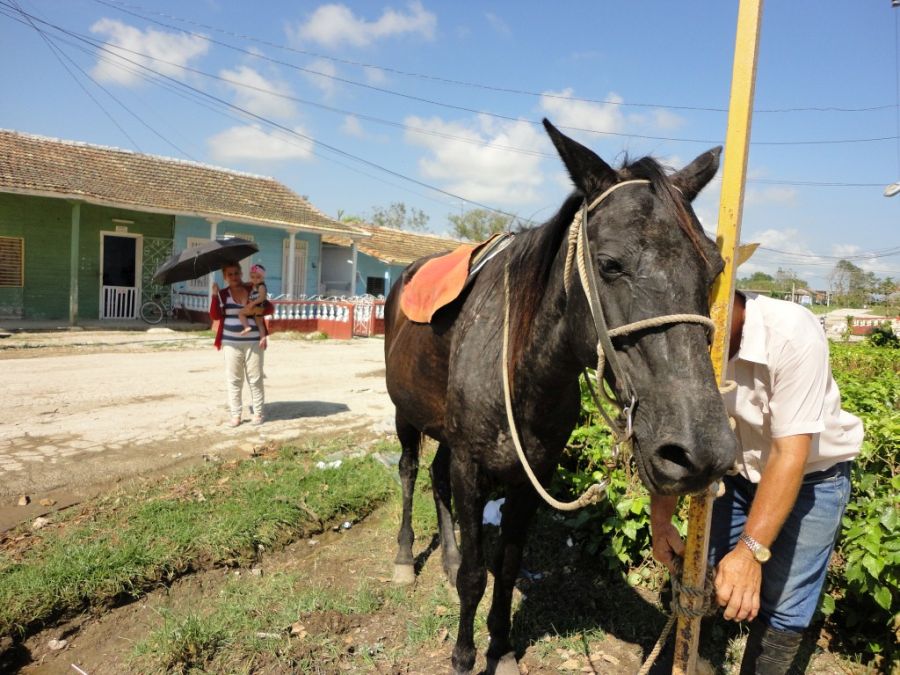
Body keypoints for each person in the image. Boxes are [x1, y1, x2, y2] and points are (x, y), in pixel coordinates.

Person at [650, 289, 862, 674]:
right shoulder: (683, 340)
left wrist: (750, 552)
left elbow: (790, 454)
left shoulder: (791, 332)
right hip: (736, 473)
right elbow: (675, 436)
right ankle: (689, 662)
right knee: (708, 571)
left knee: (785, 602)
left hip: (814, 479)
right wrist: (661, 520)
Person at [210, 262, 266, 427]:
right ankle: (236, 415)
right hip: (230, 342)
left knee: (255, 379)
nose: (234, 277)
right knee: (234, 380)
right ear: (225, 277)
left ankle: (258, 413)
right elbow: (215, 315)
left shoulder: (253, 288)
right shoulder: (222, 293)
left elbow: (268, 308)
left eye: (236, 273)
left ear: (241, 273)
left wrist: (255, 308)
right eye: (230, 274)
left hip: (254, 341)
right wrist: (214, 295)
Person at [239, 264, 269, 342]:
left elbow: (262, 297)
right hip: (259, 309)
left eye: (258, 277)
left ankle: (246, 327)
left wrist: (253, 303)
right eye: (252, 277)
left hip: (257, 306)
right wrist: (240, 281)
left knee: (241, 313)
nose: (255, 279)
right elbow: (245, 284)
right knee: (260, 324)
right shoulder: (254, 284)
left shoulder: (261, 286)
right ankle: (263, 338)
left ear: (263, 277)